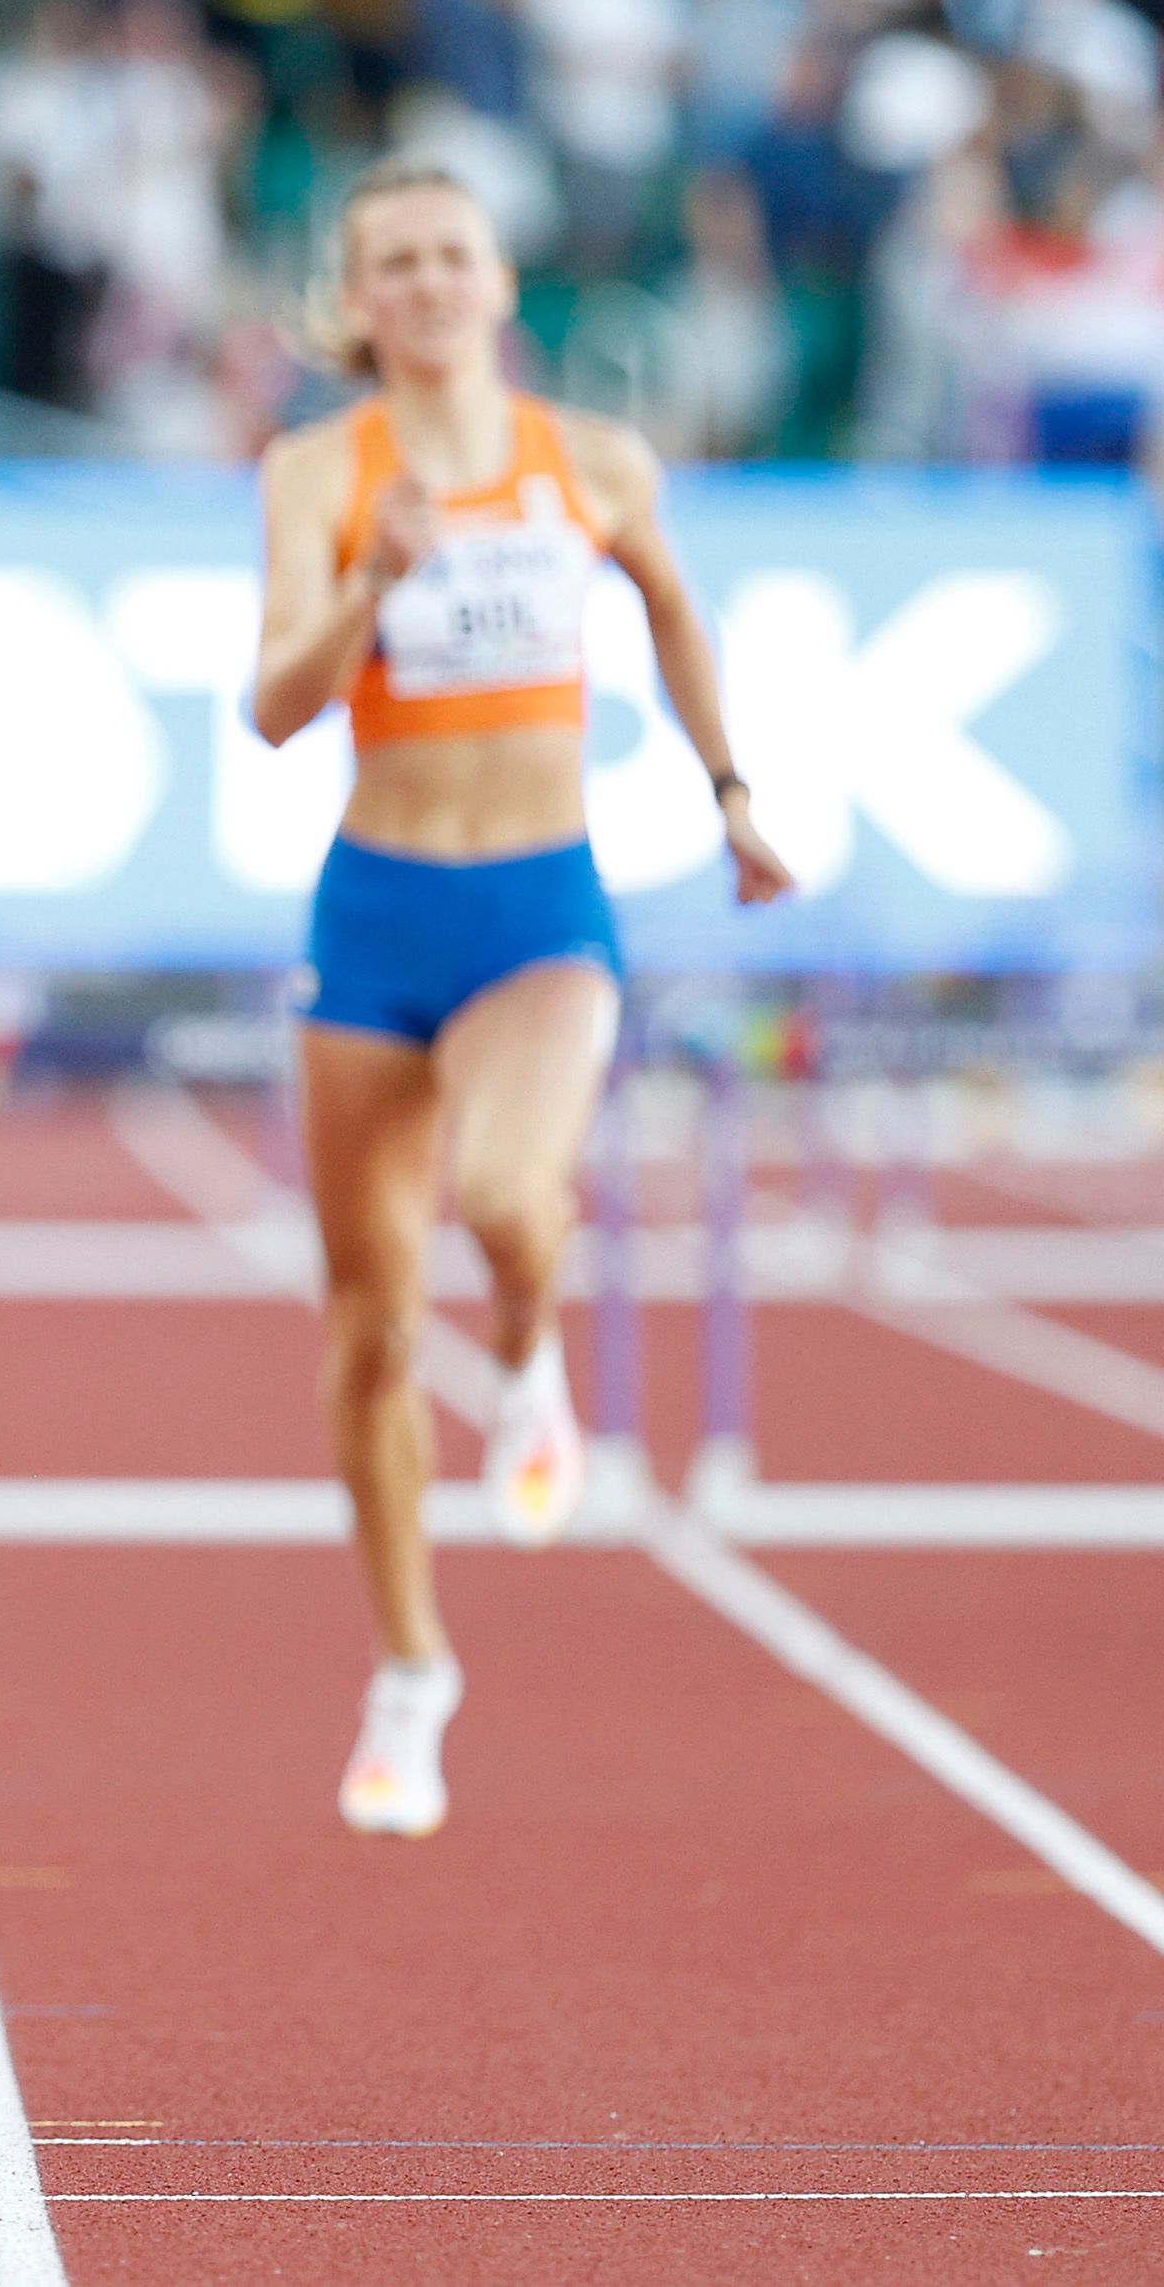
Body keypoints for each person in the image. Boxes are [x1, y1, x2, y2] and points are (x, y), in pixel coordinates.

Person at [249, 161, 792, 1839]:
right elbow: (275, 707)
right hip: (379, 910)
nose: (422, 282)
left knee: (504, 1193)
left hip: (545, 904)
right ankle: (411, 1668)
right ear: (357, 297)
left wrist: (728, 792)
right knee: (366, 1322)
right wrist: (370, 578)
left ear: (499, 280)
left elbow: (681, 612)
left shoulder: (595, 461)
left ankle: (538, 1354)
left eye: (449, 253)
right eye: (389, 259)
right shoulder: (320, 467)